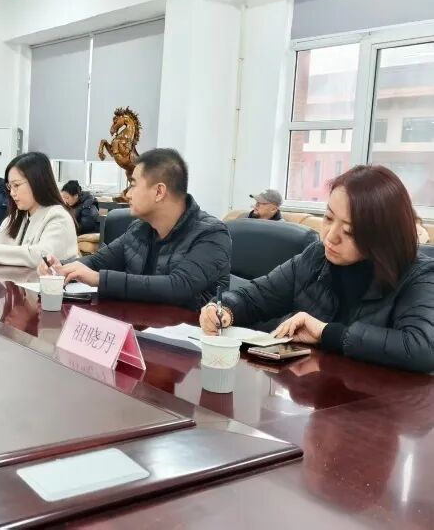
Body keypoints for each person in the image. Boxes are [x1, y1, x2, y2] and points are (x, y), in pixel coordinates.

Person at [200, 165, 434, 373]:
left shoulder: (419, 276)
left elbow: (422, 349)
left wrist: (326, 332)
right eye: (329, 218)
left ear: (382, 236)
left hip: (381, 402)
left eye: (349, 231)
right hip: (315, 391)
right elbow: (255, 297)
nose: (330, 237)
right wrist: (224, 308)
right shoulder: (315, 257)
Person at [39, 148, 231, 309]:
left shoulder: (211, 234)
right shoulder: (139, 229)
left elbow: (178, 286)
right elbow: (98, 261)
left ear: (159, 191)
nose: (127, 194)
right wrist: (62, 267)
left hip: (187, 336)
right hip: (141, 327)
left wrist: (100, 279)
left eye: (133, 185)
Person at [0, 151, 78, 267]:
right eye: (10, 187)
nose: (12, 193)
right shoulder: (20, 214)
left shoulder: (58, 217)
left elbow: (40, 256)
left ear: (37, 182)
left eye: (16, 185)